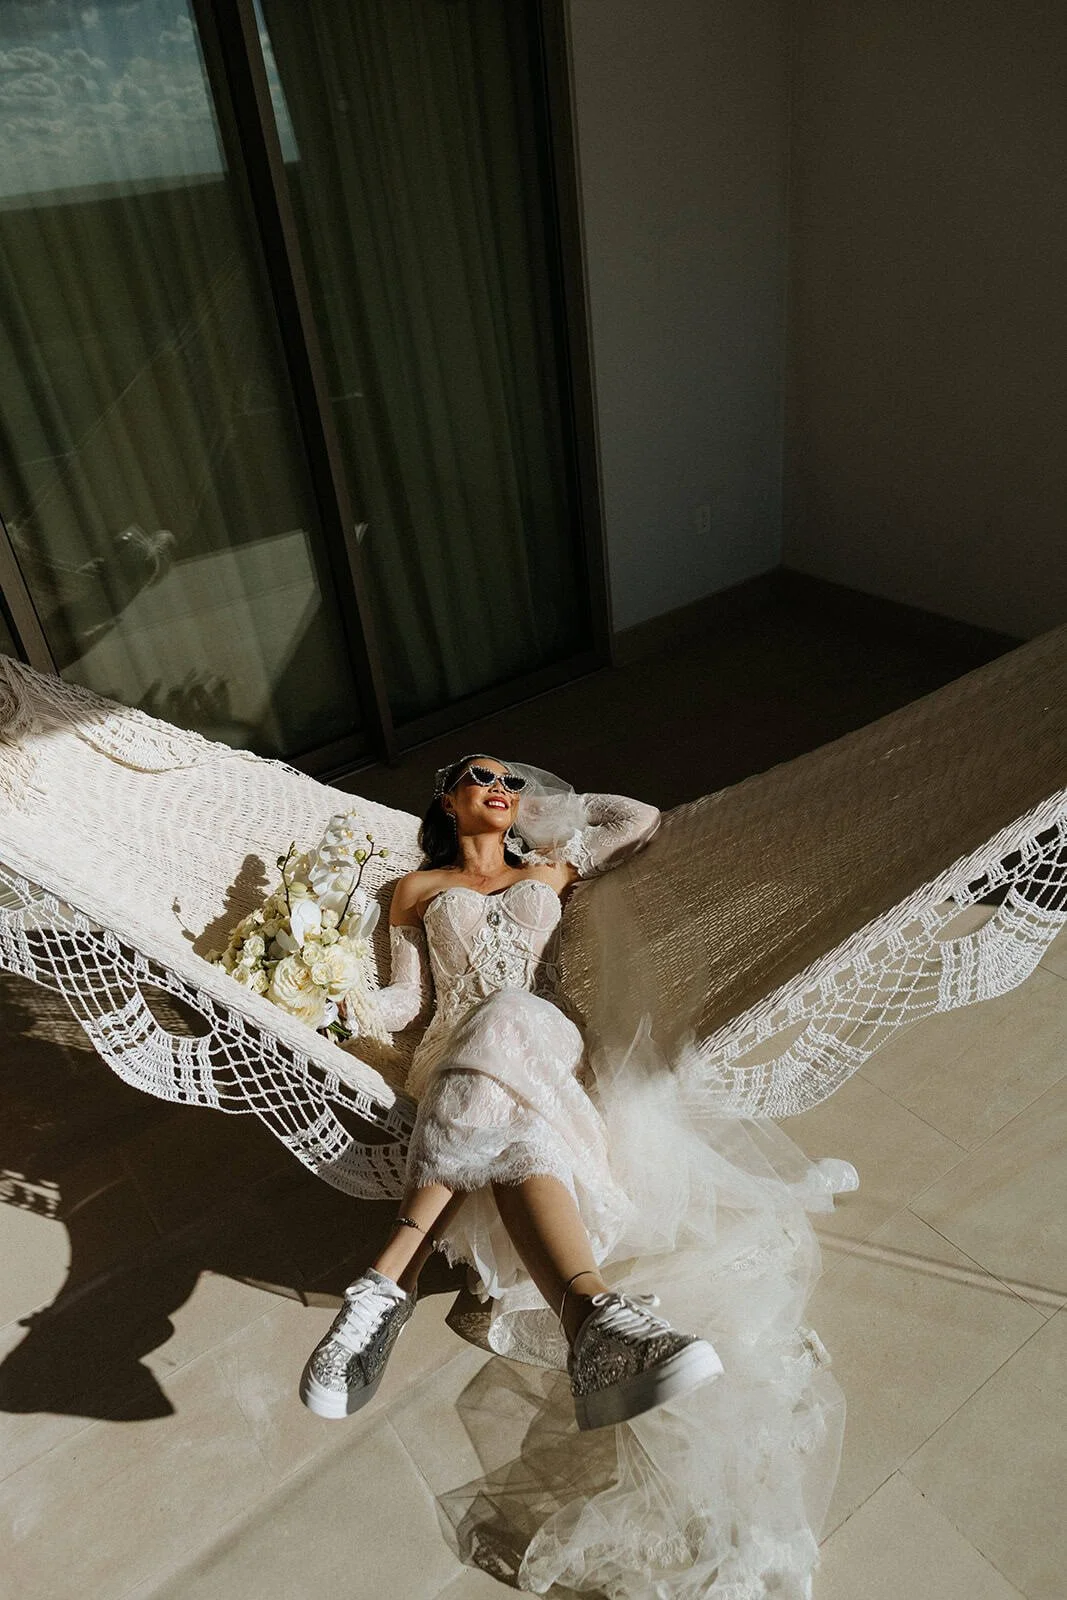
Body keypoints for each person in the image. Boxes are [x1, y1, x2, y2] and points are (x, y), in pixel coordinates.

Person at [298, 753, 856, 1597]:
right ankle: (593, 1317)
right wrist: (332, 1002)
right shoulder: (412, 890)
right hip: (457, 1057)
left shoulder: (551, 870)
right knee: (519, 1129)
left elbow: (636, 820)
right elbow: (405, 1004)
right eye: (478, 776)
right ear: (444, 800)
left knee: (514, 1014)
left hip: (543, 1038)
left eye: (509, 780)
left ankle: (385, 1284)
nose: (500, 786)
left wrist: (547, 814)